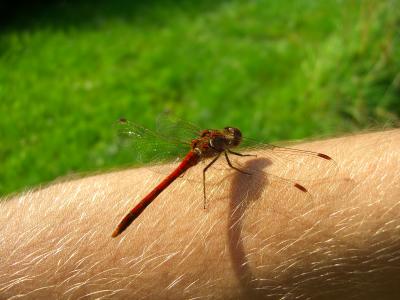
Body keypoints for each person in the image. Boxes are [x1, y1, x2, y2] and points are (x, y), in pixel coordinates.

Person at [1, 130, 399, 299]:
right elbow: (228, 166)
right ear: (226, 141)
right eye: (231, 140)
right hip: (193, 167)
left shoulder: (209, 146)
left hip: (191, 162)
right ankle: (126, 222)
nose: (233, 142)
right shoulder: (222, 152)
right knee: (211, 173)